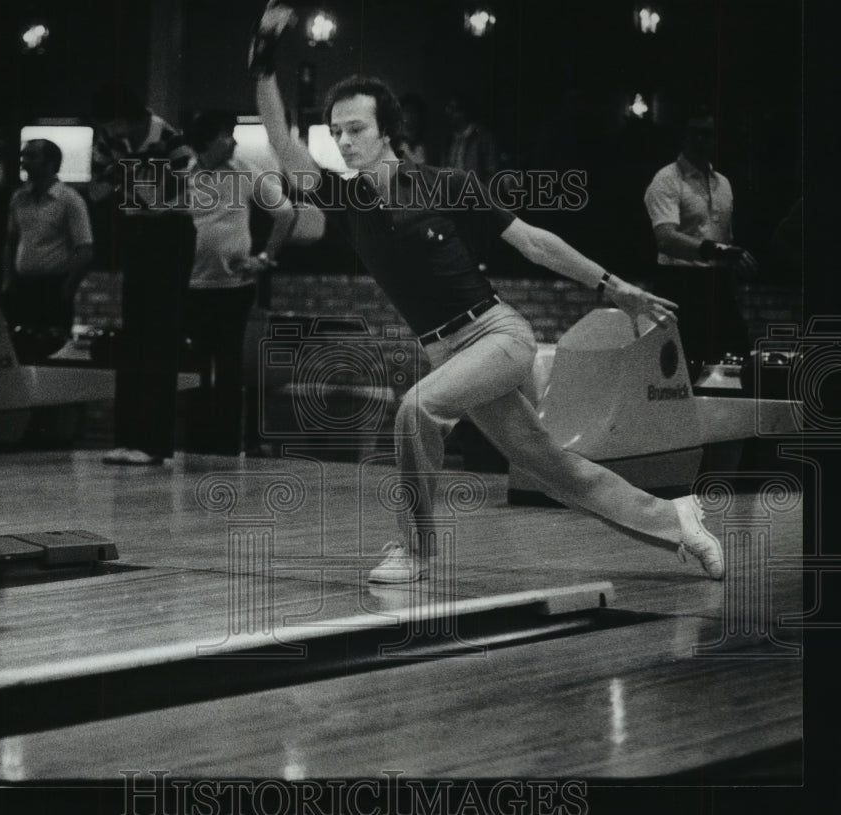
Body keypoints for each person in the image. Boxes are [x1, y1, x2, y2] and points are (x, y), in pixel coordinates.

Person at [249, 3, 725, 584]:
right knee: (552, 466)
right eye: (337, 132)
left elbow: (533, 242)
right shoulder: (350, 204)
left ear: (387, 131)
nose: (345, 142)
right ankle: (678, 520)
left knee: (415, 409)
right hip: (447, 352)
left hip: (497, 334)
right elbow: (278, 139)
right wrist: (265, 64)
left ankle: (416, 551)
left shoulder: (446, 184)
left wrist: (614, 286)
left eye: (357, 130)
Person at [90, 83, 196, 465]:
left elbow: (178, 192)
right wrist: (124, 174)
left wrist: (130, 175)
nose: (110, 134)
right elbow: (97, 192)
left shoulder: (168, 136)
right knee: (133, 335)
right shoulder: (108, 140)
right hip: (135, 232)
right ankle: (128, 438)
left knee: (161, 337)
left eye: (113, 125)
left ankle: (155, 443)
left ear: (128, 118)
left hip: (170, 234)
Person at [184, 111, 294, 454]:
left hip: (234, 288)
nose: (232, 140)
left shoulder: (243, 169)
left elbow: (286, 212)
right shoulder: (181, 174)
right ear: (205, 140)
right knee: (195, 368)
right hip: (191, 286)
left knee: (229, 366)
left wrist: (263, 259)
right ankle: (196, 444)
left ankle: (227, 445)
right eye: (225, 134)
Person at [644, 110, 757, 387]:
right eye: (694, 132)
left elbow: (724, 237)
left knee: (734, 363)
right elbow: (666, 238)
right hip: (679, 285)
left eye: (707, 134)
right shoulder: (667, 180)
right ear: (683, 137)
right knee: (680, 373)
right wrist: (719, 252)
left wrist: (732, 265)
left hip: (715, 284)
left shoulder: (724, 184)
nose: (700, 140)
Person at [0, 139, 94, 360]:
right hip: (23, 287)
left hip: (53, 287)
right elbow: (10, 242)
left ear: (50, 163)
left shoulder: (69, 200)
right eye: (23, 156)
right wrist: (8, 279)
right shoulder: (19, 198)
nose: (24, 162)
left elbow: (86, 249)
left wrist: (67, 288)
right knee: (21, 350)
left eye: (32, 157)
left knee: (53, 352)